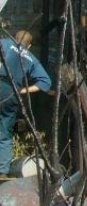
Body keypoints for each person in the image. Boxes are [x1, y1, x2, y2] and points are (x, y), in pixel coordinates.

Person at [0, 31, 52, 176]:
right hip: (12, 93)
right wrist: (22, 90)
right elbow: (46, 82)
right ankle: (2, 172)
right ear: (29, 46)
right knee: (4, 133)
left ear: (14, 38)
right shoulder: (31, 58)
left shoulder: (4, 42)